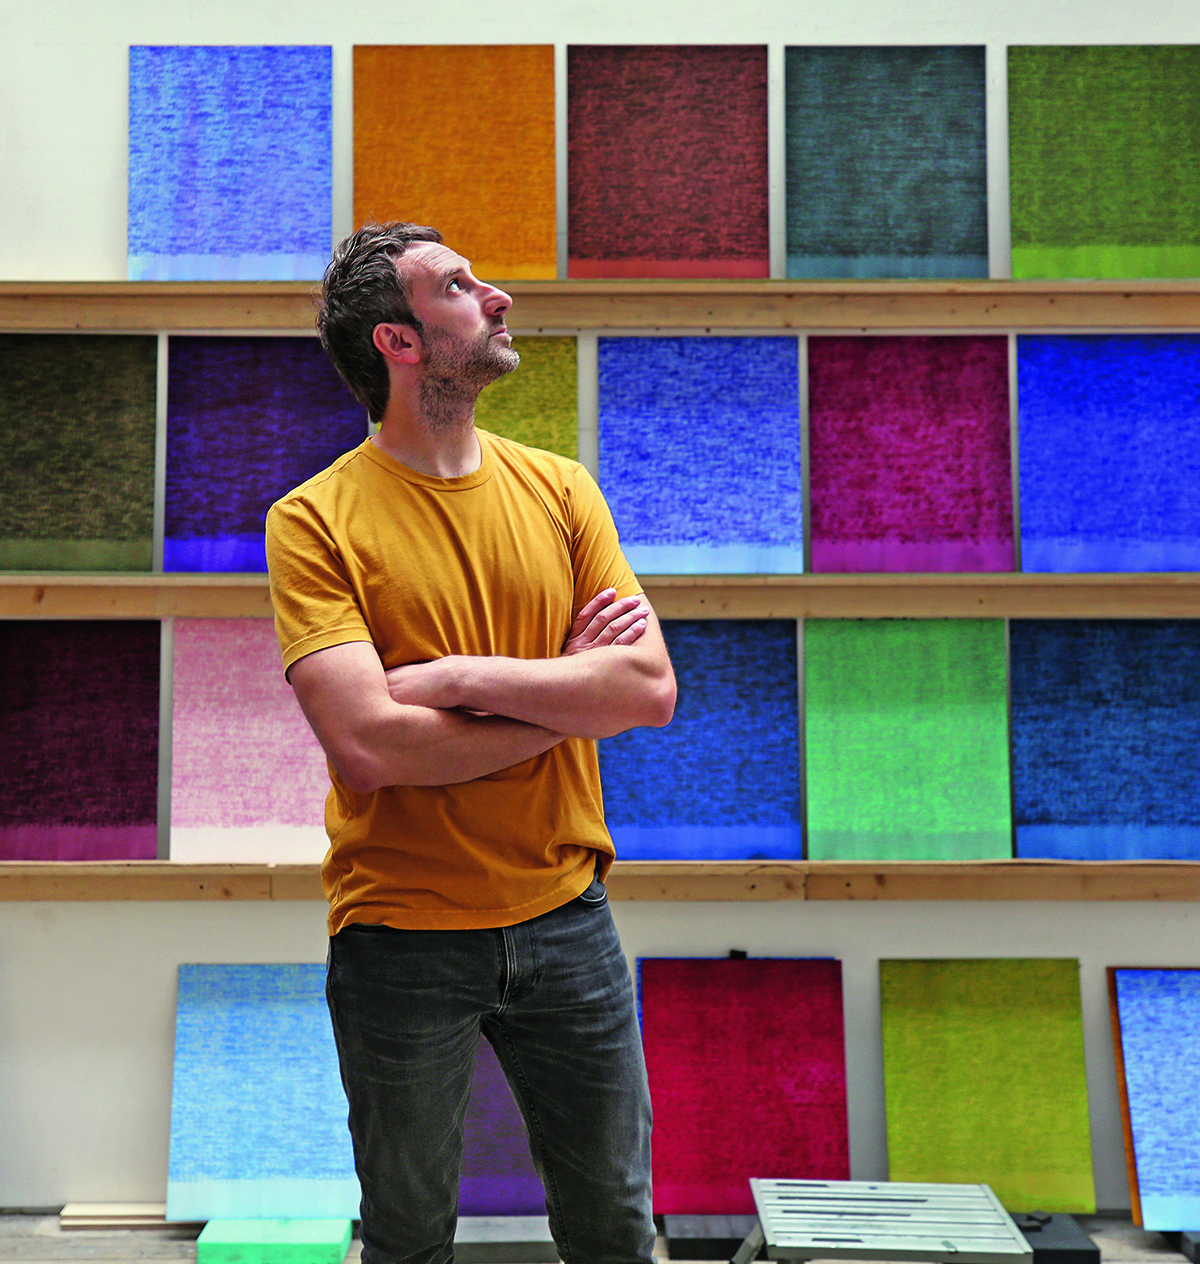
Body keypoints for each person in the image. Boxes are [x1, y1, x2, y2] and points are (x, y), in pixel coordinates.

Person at [264, 221, 677, 1264]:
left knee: (618, 1228)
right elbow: (372, 747)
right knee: (407, 1240)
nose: (497, 298)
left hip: (566, 917)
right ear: (399, 343)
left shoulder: (564, 490)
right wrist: (568, 699)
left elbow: (646, 688)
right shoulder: (313, 521)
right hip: (400, 930)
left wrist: (455, 681)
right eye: (459, 288)